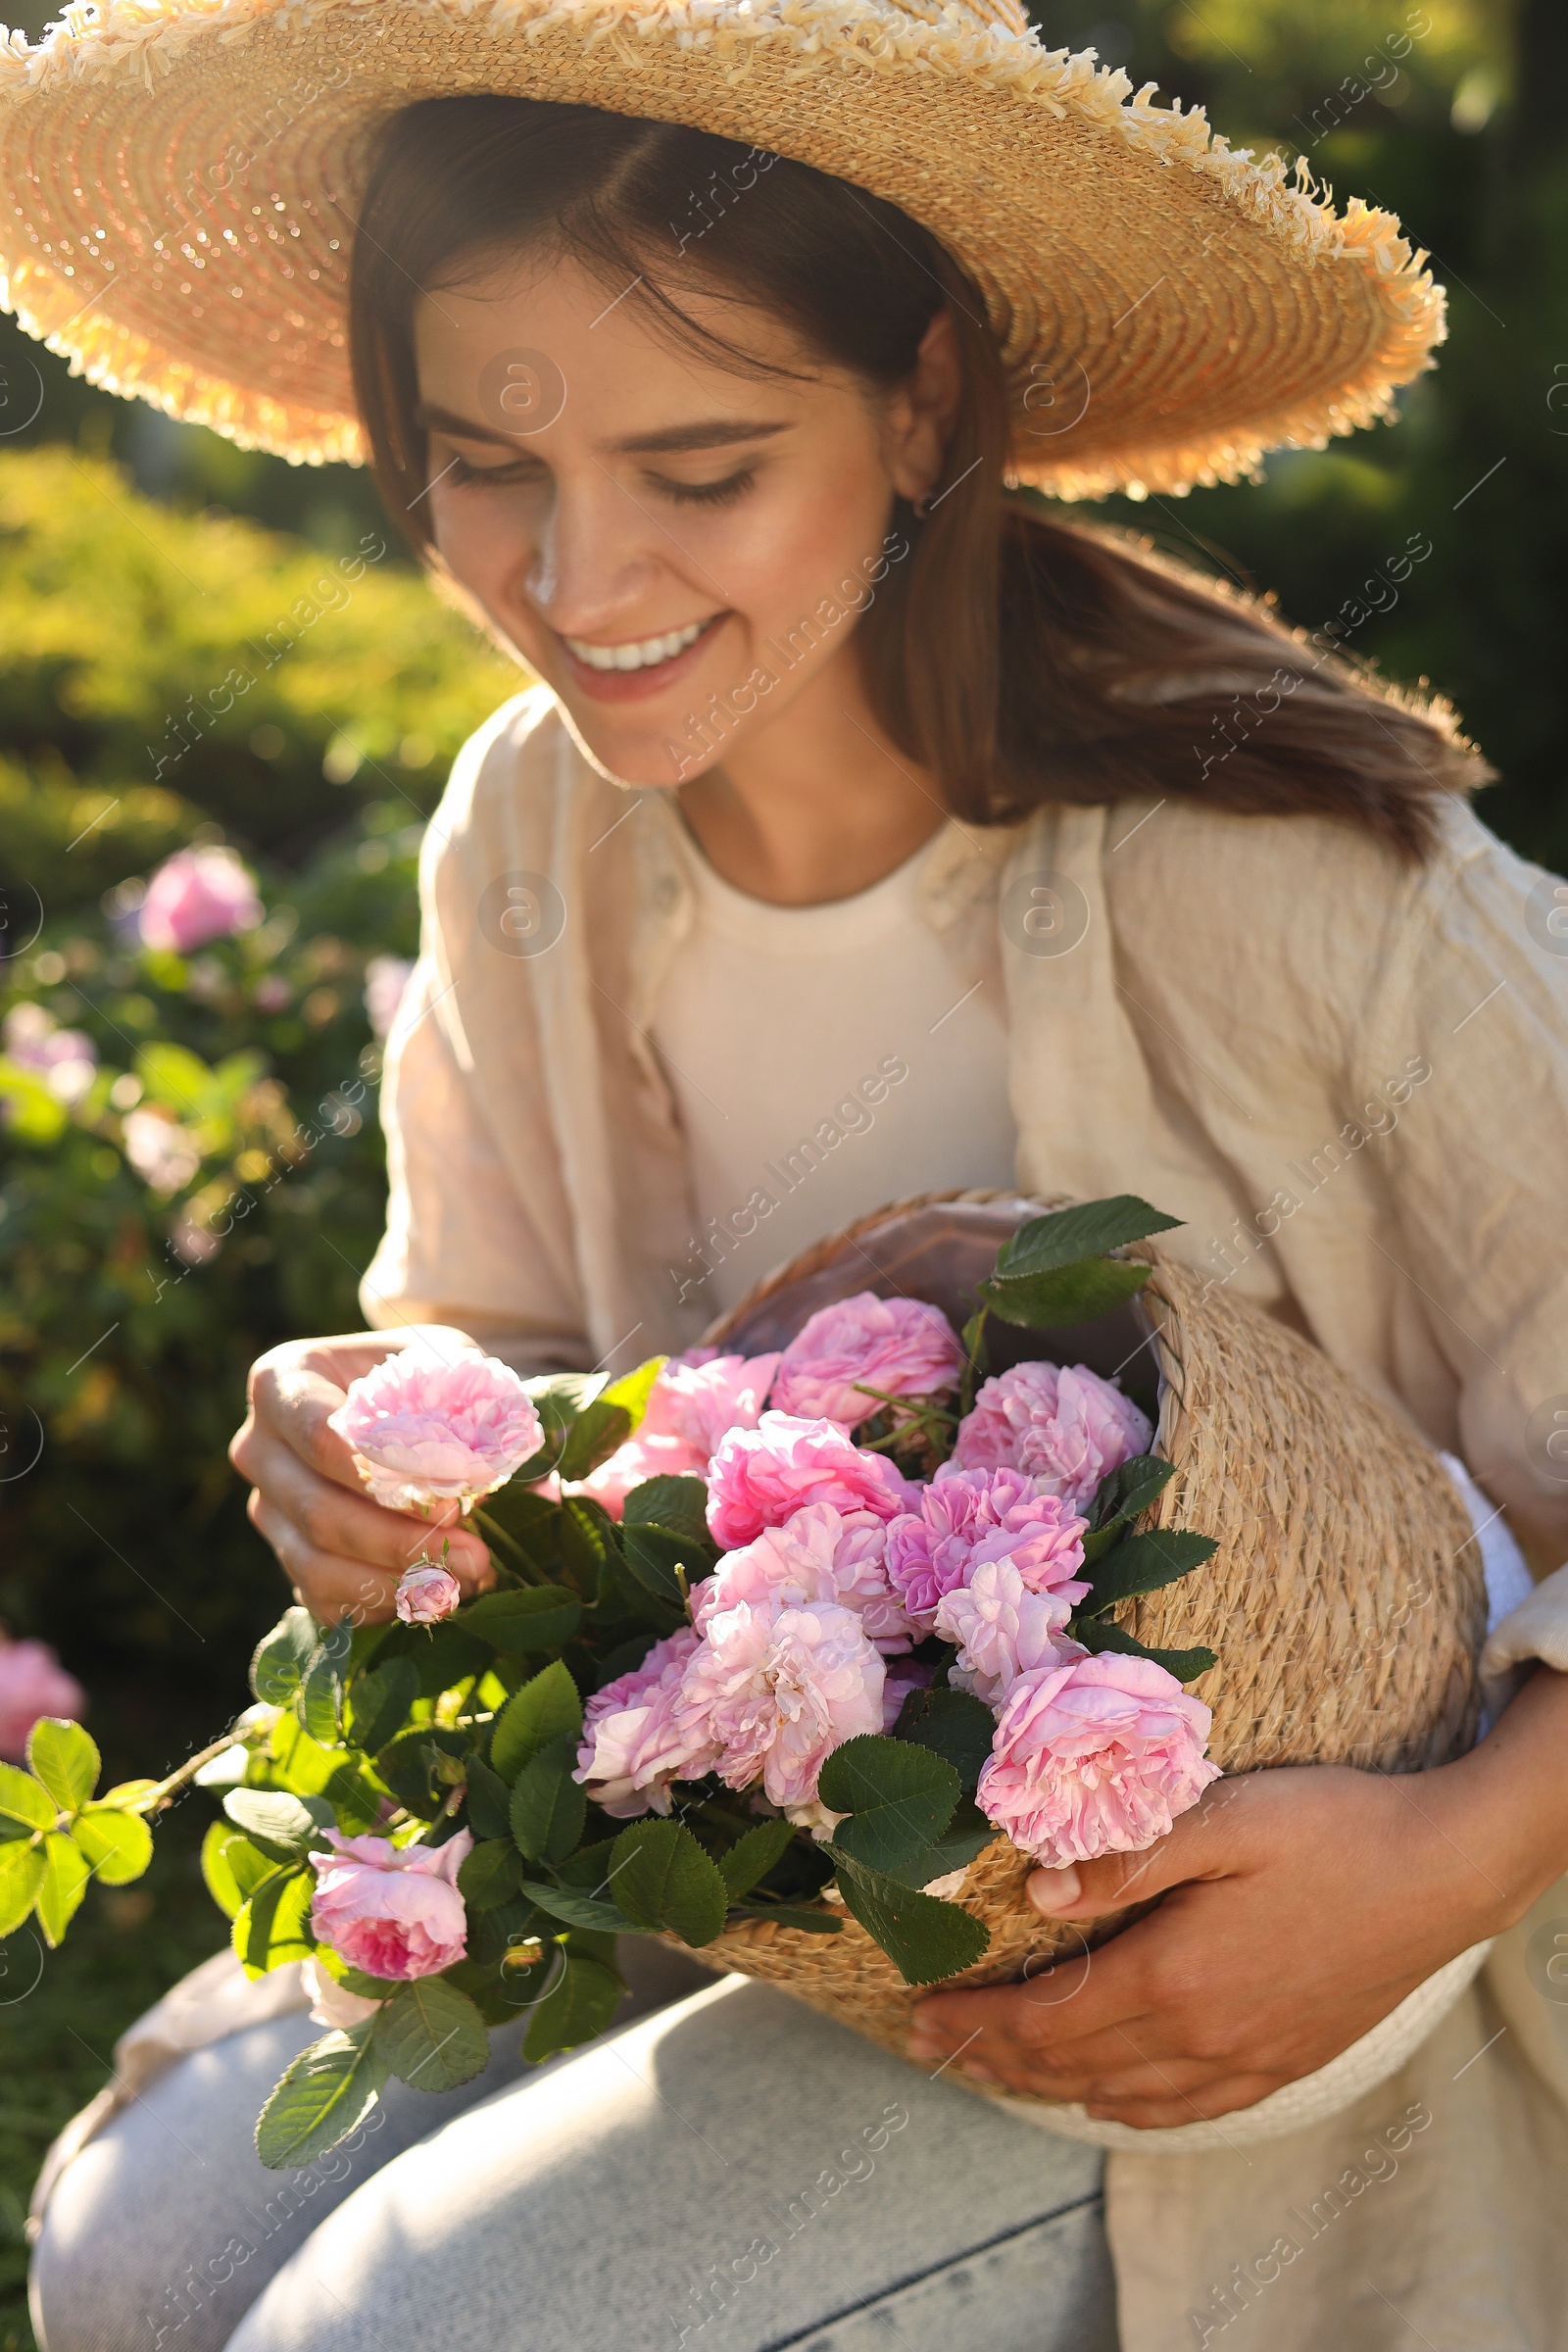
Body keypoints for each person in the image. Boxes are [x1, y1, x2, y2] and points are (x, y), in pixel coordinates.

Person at [8, 6, 1568, 2347]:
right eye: (481, 463)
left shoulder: (1320, 888)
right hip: (774, 1896)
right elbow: (508, 1344)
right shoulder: (526, 835)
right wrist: (383, 1434)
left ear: (921, 399)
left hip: (1281, 1978)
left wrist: (1440, 1861)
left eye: (702, 464)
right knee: (144, 2255)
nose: (577, 571)